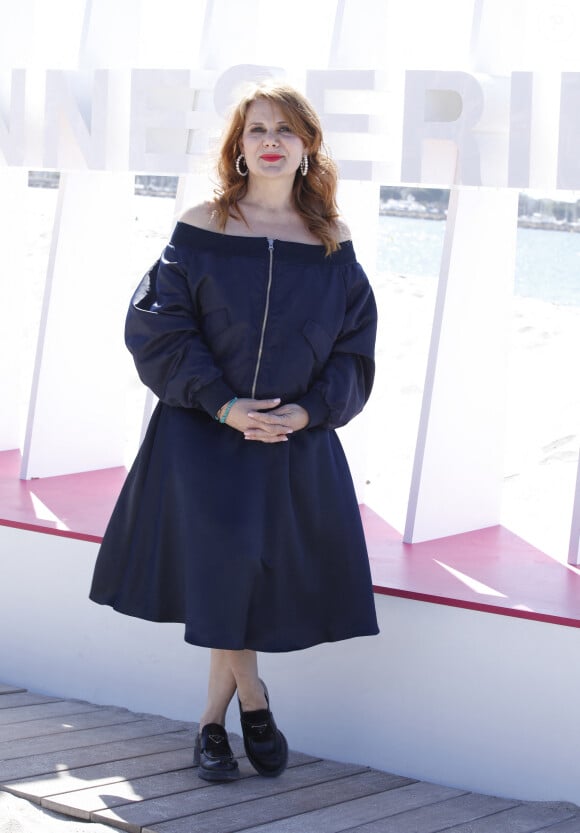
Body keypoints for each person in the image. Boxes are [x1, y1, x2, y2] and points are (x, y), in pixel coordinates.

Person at [89, 80, 379, 783]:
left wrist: (307, 411)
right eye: (256, 129)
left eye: (285, 129)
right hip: (202, 437)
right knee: (225, 574)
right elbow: (158, 328)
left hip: (290, 443)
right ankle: (254, 699)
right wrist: (223, 404)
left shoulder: (332, 243)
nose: (270, 139)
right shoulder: (202, 226)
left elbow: (355, 350)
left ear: (307, 145)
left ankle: (213, 725)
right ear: (239, 147)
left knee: (241, 583)